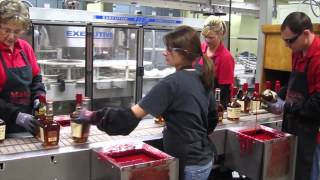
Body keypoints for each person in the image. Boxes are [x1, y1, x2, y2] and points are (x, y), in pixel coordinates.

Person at [75, 25, 218, 180]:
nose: (165, 53)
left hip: (189, 164)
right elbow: (212, 120)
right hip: (205, 159)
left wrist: (92, 116)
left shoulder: (171, 83)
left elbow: (127, 119)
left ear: (183, 53)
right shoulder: (201, 76)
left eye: (169, 49)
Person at [265, 12, 320, 180]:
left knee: (306, 173)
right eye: (285, 41)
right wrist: (277, 97)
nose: (287, 45)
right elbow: (293, 83)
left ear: (305, 33)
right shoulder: (297, 52)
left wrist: (286, 106)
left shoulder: (318, 58)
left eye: (290, 41)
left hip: (312, 133)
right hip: (294, 125)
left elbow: (317, 105)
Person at [0, 0, 45, 135]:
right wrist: (16, 115)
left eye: (17, 31)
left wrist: (39, 98)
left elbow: (36, 79)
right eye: (6, 30)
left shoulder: (25, 48)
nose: (11, 36)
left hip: (27, 125)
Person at [201, 15, 235, 109]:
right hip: (199, 100)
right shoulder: (201, 49)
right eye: (205, 37)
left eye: (211, 37)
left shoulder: (226, 57)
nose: (207, 40)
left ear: (221, 35)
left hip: (214, 105)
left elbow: (224, 91)